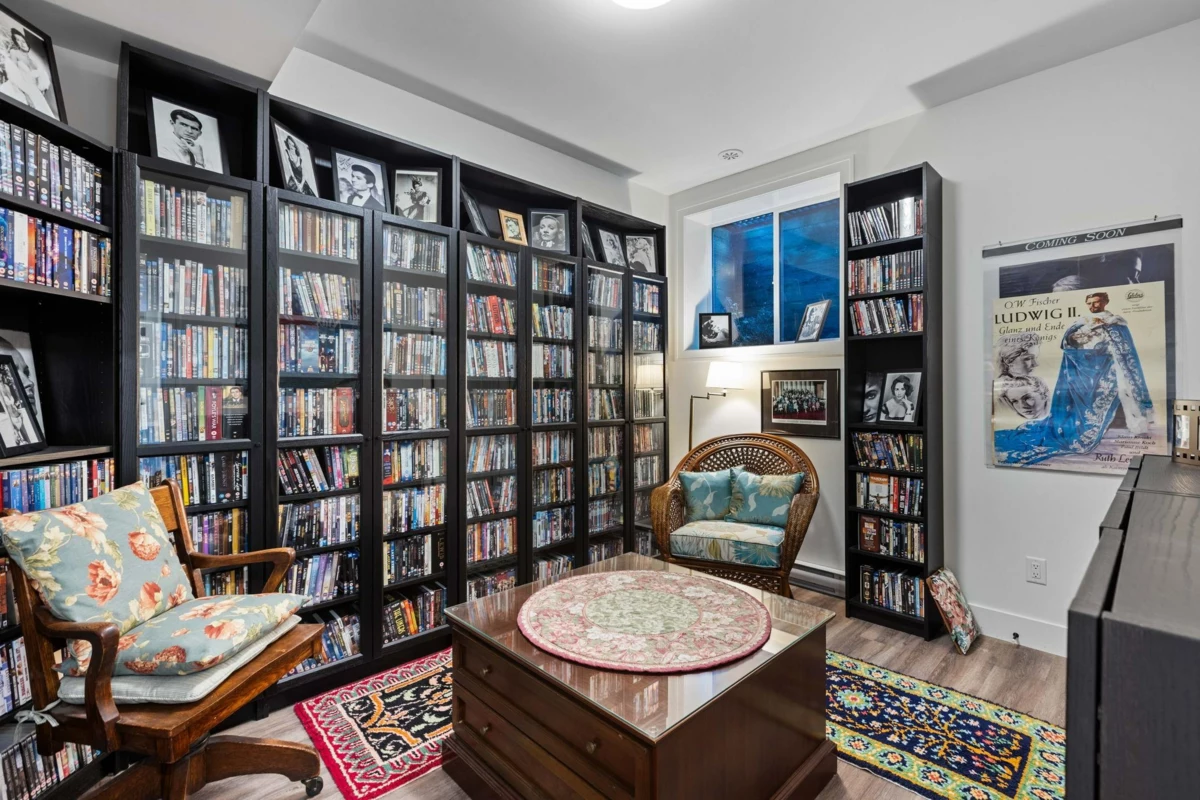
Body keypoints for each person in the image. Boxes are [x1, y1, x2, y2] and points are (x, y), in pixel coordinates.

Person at [995, 292, 1155, 465]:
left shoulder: (1116, 323)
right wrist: (1078, 340)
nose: (1093, 306)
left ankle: (1125, 424)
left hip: (1107, 366)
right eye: (1090, 303)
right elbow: (1068, 343)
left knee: (1113, 392)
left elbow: (1124, 351)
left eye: (1096, 302)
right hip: (1083, 366)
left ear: (1105, 302)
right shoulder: (1081, 322)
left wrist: (1102, 346)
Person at [0, 28, 53, 117]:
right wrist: (27, 96)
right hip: (21, 88)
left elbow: (41, 78)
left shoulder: (33, 59)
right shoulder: (14, 52)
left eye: (22, 40)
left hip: (35, 91)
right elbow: (14, 74)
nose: (22, 43)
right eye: (18, 40)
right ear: (16, 43)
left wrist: (41, 91)